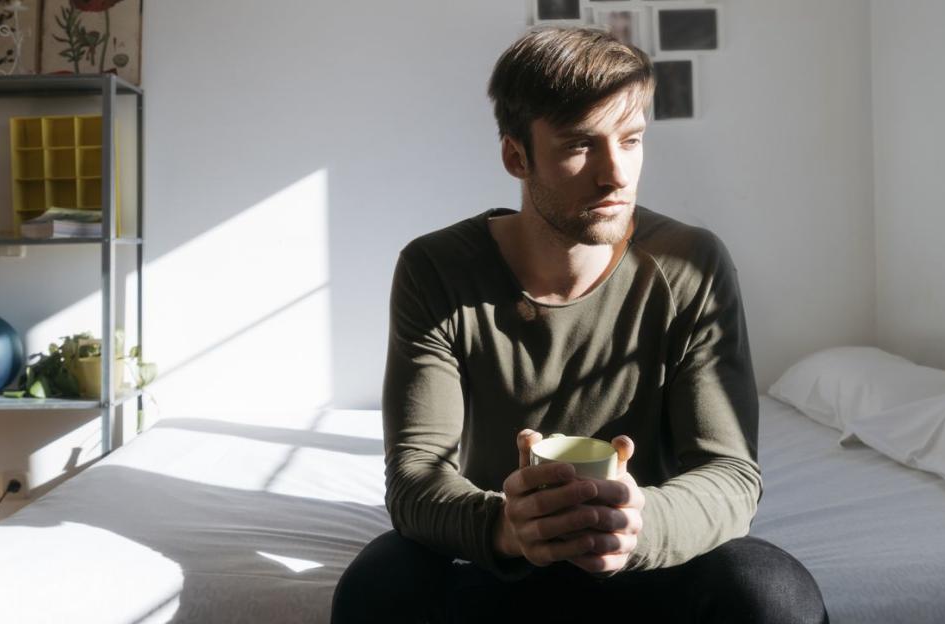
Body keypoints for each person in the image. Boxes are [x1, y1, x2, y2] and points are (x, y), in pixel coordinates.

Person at [332, 27, 829, 624]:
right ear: (517, 156)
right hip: (499, 558)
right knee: (380, 583)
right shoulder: (437, 270)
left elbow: (730, 474)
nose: (615, 174)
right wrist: (505, 527)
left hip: (650, 563)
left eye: (632, 140)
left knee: (771, 591)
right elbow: (415, 478)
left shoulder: (691, 264)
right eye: (579, 146)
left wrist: (637, 526)